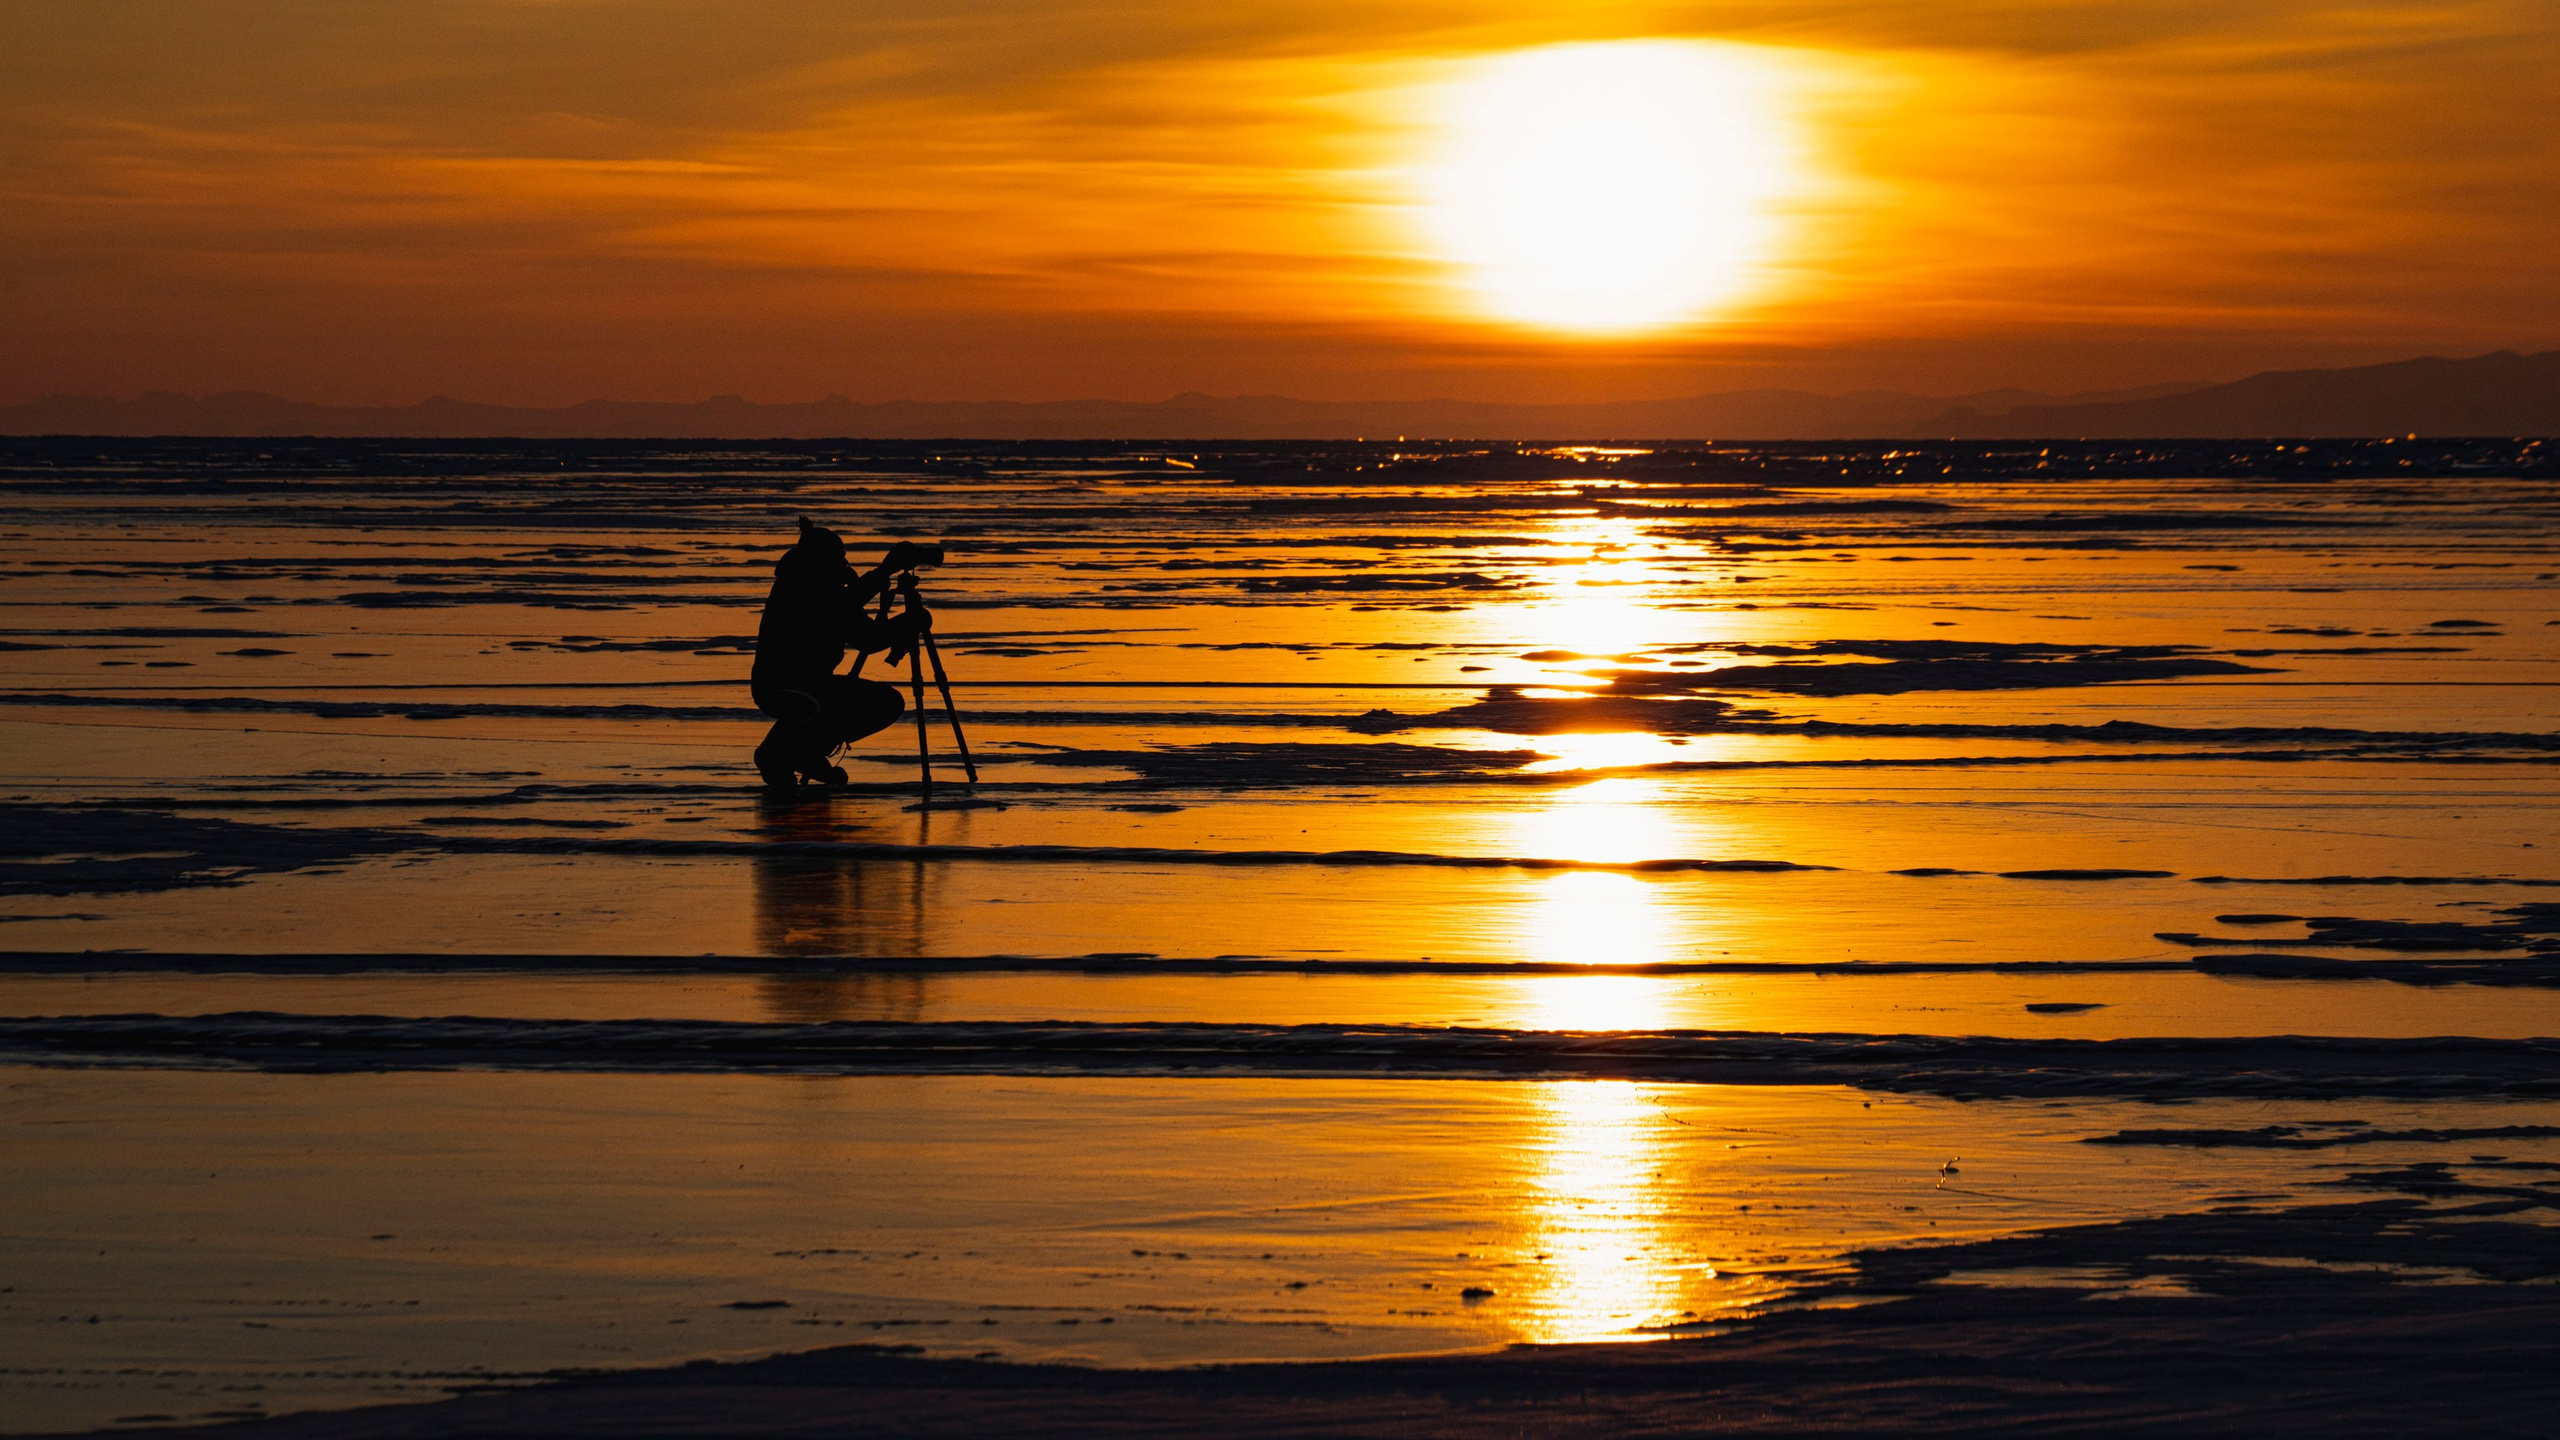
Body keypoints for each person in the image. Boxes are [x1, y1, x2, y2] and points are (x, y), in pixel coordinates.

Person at [750, 520, 931, 787]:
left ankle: (792, 751)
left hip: (812, 684)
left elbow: (866, 637)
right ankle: (789, 754)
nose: (841, 565)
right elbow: (834, 611)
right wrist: (884, 573)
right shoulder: (798, 587)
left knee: (884, 702)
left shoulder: (829, 591)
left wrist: (903, 621)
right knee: (816, 706)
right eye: (836, 560)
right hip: (782, 685)